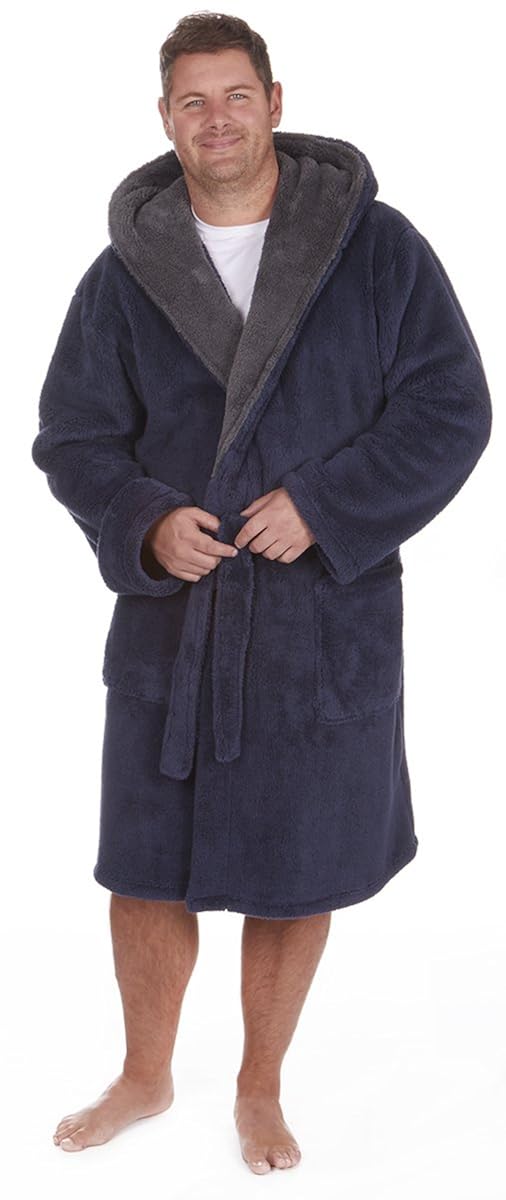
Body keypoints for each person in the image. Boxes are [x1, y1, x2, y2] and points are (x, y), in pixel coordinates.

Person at [31, 10, 492, 1174]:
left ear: (274, 103)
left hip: (317, 622)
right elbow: (73, 436)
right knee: (143, 867)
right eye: (192, 100)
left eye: (235, 95)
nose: (217, 118)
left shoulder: (373, 249)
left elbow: (449, 407)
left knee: (297, 869)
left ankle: (258, 1087)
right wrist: (144, 521)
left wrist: (326, 505)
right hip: (175, 619)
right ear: (164, 118)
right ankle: (145, 1074)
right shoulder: (123, 275)